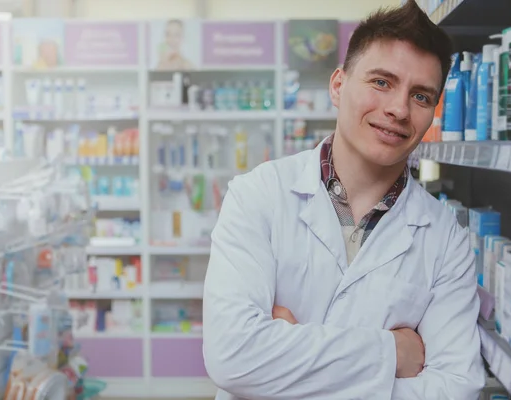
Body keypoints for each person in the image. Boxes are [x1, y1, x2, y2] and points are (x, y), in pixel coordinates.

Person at [202, 2, 484, 399]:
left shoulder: (445, 239)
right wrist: (392, 354)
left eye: (421, 97)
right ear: (338, 85)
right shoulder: (258, 194)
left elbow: (456, 389)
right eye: (382, 82)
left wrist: (287, 348)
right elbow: (232, 357)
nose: (398, 109)